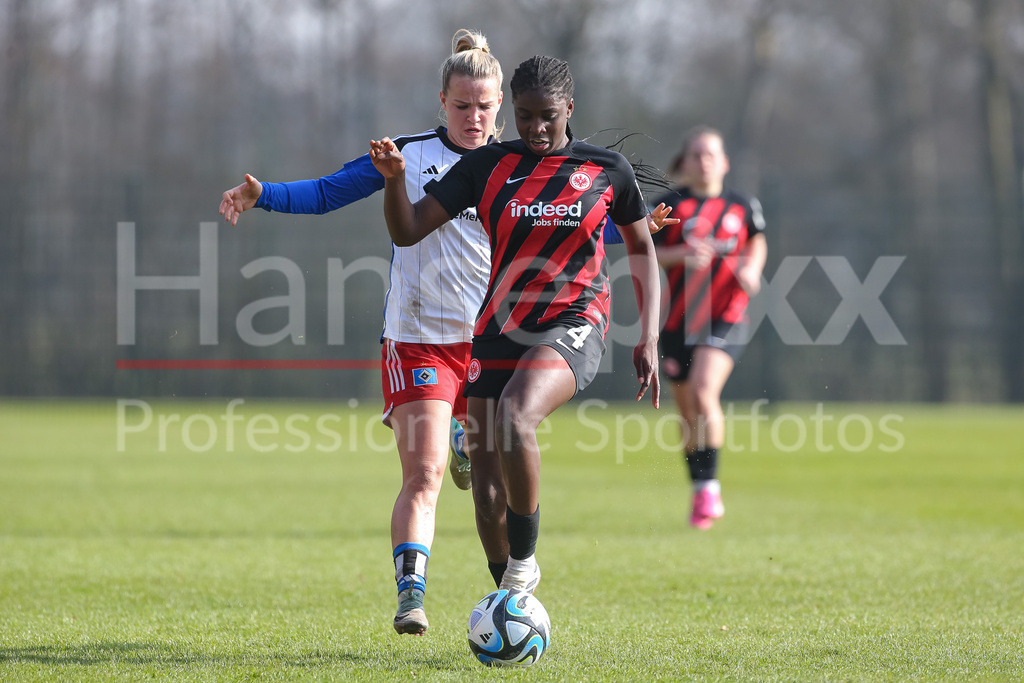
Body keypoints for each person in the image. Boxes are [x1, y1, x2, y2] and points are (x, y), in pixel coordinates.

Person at [218, 29, 505, 635]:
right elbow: (328, 193)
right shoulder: (408, 155)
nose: (473, 117)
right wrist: (261, 194)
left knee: (495, 478)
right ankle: (411, 595)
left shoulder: (515, 167)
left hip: (492, 344)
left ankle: (467, 445)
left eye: (484, 106)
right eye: (461, 106)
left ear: (499, 104)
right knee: (423, 474)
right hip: (418, 339)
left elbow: (572, 219)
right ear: (442, 104)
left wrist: (637, 229)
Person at [370, 54, 662, 595]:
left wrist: (648, 336)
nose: (535, 129)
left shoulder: (605, 171)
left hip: (575, 321)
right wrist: (393, 182)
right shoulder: (487, 167)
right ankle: (509, 598)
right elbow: (408, 230)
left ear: (569, 109)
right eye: (525, 116)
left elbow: (642, 245)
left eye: (548, 116)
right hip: (499, 329)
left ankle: (525, 562)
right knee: (485, 496)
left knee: (515, 415)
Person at [650, 125, 767, 530]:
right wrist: (680, 253)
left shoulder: (741, 205)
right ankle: (700, 488)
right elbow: (646, 254)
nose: (704, 161)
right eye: (696, 154)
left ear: (724, 162)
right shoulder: (669, 206)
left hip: (727, 314)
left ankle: (711, 486)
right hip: (679, 319)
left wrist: (752, 267)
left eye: (711, 154)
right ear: (685, 162)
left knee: (703, 390)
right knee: (687, 412)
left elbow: (757, 240)